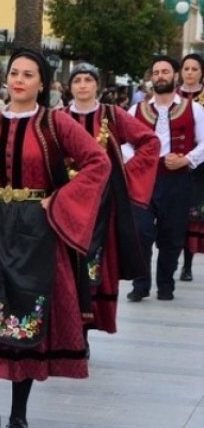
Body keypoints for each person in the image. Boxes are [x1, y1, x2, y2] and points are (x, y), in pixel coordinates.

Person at [0, 49, 111, 428]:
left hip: (34, 232)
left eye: (28, 74)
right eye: (14, 72)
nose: (18, 79)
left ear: (42, 83)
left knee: (23, 315)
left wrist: (61, 199)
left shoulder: (56, 124)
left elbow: (98, 162)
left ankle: (18, 415)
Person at [65, 62, 159, 337]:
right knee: (65, 266)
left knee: (95, 266)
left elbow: (149, 142)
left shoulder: (112, 115)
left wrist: (124, 174)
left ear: (97, 85)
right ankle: (69, 330)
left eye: (88, 80)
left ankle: (85, 331)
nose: (82, 85)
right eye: (77, 80)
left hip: (102, 208)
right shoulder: (57, 117)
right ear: (70, 87)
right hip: (66, 205)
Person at [126, 55, 204, 302]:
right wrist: (138, 159)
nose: (160, 76)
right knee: (141, 232)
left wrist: (187, 159)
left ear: (175, 76)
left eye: (165, 72)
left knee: (172, 235)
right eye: (156, 72)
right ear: (152, 78)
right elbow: (123, 143)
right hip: (144, 180)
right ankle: (140, 284)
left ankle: (166, 284)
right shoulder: (136, 109)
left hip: (178, 179)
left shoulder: (194, 108)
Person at [176, 53, 204, 282]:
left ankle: (187, 265)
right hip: (174, 161)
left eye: (194, 69)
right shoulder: (173, 96)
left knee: (192, 214)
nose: (190, 73)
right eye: (186, 68)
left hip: (200, 164)